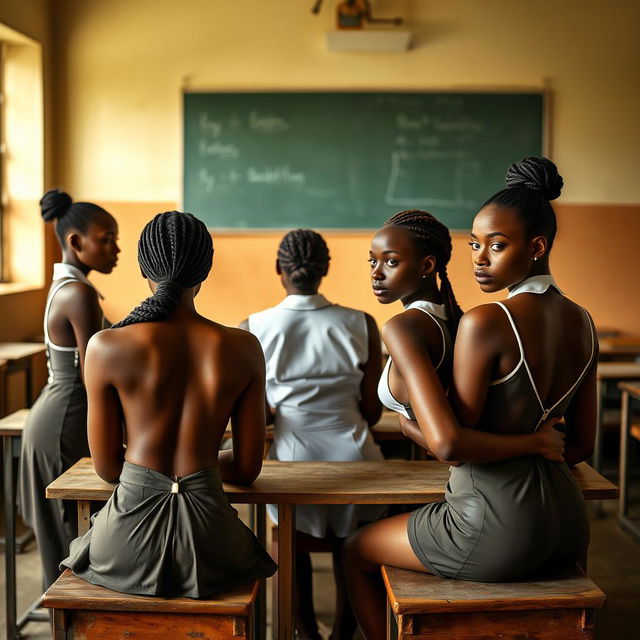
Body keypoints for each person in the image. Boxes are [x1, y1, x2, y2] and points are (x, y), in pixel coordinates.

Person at [344, 157, 591, 640]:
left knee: (356, 550)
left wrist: (410, 425)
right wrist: (538, 442)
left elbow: (449, 445)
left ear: (536, 247)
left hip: (494, 526)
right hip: (567, 524)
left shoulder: (485, 322)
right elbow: (580, 447)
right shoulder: (582, 321)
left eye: (496, 246)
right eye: (475, 244)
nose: (479, 258)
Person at [61, 211, 277, 597]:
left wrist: (150, 470)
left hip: (124, 542)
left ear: (144, 269)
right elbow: (246, 468)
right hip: (212, 543)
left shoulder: (106, 347)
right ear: (205, 271)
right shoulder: (243, 347)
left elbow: (108, 469)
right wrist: (202, 467)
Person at [246, 229, 384, 640]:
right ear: (326, 270)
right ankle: (344, 633)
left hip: (292, 460)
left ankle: (304, 632)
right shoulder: (361, 322)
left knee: (288, 541)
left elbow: (258, 416)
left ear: (279, 270)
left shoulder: (252, 327)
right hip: (356, 459)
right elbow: (373, 412)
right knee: (351, 547)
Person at [18, 189, 120, 590]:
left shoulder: (70, 286)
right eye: (106, 239)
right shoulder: (78, 293)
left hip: (57, 414)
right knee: (70, 547)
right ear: (76, 242)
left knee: (66, 541)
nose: (116, 249)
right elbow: (94, 375)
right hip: (63, 421)